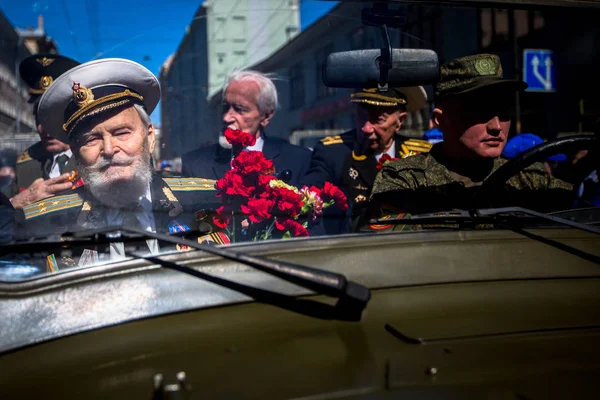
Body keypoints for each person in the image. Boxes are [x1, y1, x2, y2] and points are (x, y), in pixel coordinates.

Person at [19, 58, 219, 250]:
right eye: (91, 139)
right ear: (76, 154)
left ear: (149, 138)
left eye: (122, 133)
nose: (108, 149)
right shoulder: (49, 222)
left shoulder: (207, 200)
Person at [364, 54, 575, 229]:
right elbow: (391, 255)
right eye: (478, 112)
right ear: (440, 120)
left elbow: (583, 220)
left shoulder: (528, 179)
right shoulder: (407, 183)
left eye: (503, 112)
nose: (496, 126)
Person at [302, 86, 432, 234]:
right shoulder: (333, 152)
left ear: (400, 120)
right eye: (361, 116)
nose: (366, 128)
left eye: (378, 119)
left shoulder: (420, 155)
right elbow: (310, 193)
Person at [181, 70, 311, 186]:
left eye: (240, 109)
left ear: (266, 115)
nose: (227, 117)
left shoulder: (299, 160)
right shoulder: (195, 165)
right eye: (225, 107)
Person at [7, 54, 81, 209]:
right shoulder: (27, 162)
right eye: (39, 118)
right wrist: (17, 202)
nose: (43, 128)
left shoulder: (98, 157)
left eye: (54, 117)